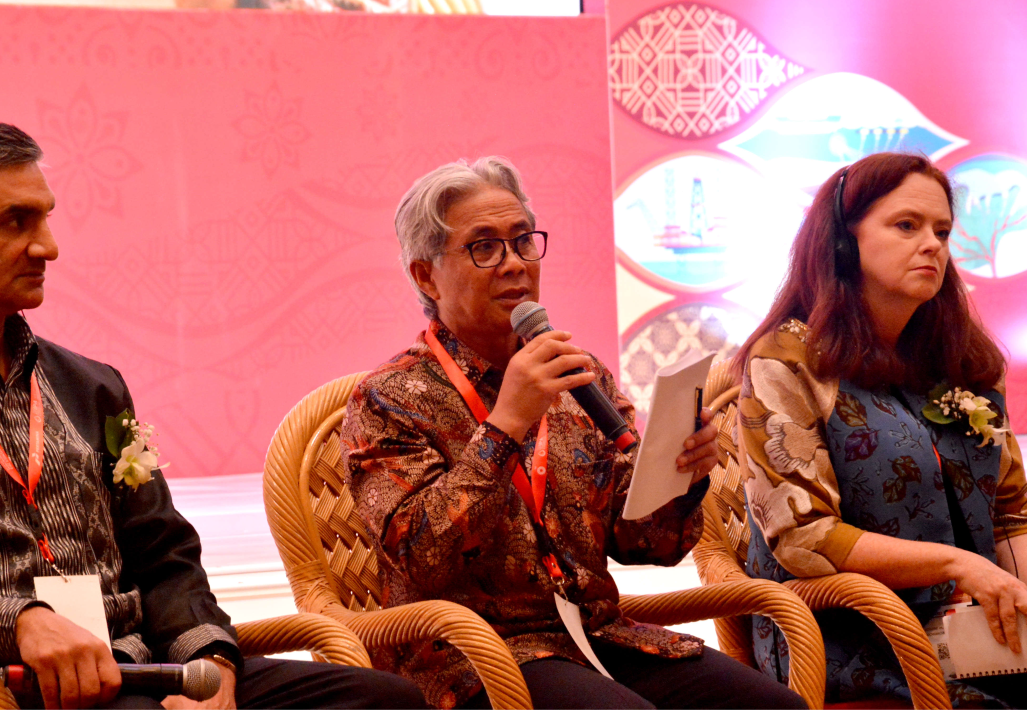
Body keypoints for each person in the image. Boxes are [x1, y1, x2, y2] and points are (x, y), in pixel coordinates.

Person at [0, 120, 429, 710]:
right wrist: (21, 622)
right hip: (3, 687)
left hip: (144, 669)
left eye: (45, 218)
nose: (48, 247)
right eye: (16, 221)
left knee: (383, 701)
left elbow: (165, 553)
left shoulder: (92, 385)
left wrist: (209, 664)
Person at [340, 156, 808, 710]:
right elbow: (422, 557)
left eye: (523, 241)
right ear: (425, 276)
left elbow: (646, 544)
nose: (514, 264)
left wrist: (681, 475)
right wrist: (505, 425)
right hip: (474, 662)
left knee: (778, 708)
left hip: (600, 636)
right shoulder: (388, 399)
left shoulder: (579, 376)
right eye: (484, 247)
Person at [735, 152, 1027, 709]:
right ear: (844, 242)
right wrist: (960, 564)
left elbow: (1009, 514)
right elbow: (806, 538)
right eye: (907, 225)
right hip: (847, 633)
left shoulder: (966, 360)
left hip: (976, 625)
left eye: (942, 231)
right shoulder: (787, 360)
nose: (932, 245)